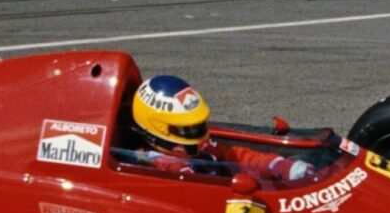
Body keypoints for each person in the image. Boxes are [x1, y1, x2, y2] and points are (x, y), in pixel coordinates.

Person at [125, 75, 313, 182]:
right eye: (187, 129)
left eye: (198, 126)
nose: (197, 134)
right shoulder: (160, 167)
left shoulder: (200, 149)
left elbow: (235, 156)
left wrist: (277, 165)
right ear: (158, 130)